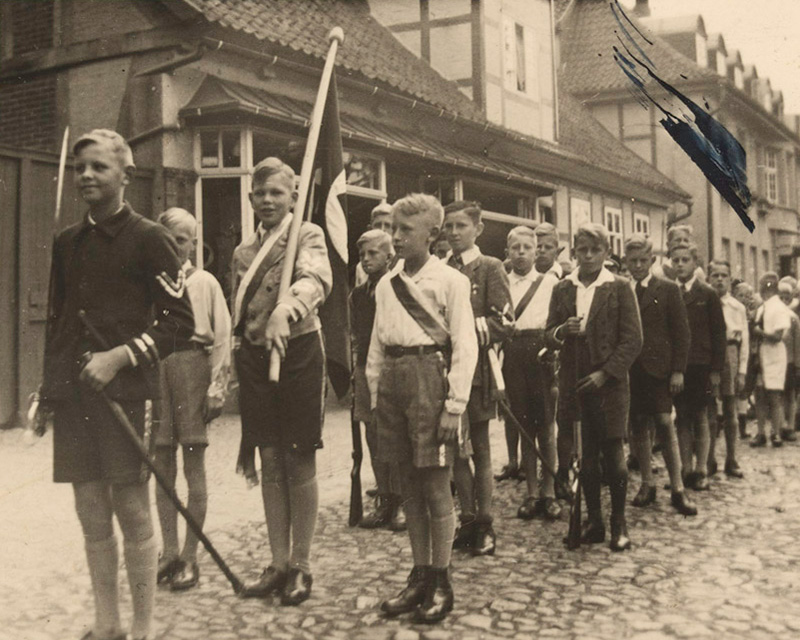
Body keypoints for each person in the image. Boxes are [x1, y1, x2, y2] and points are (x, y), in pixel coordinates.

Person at [40, 130, 195, 640]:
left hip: (127, 394)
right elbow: (60, 323)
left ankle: (144, 625)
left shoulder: (150, 238)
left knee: (131, 506)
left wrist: (120, 356)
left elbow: (179, 322)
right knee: (89, 510)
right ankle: (107, 624)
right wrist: (49, 391)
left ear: (124, 176)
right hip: (77, 396)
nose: (86, 175)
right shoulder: (67, 242)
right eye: (81, 166)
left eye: (99, 167)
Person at [367, 193, 478, 623]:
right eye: (393, 229)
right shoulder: (385, 283)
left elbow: (465, 344)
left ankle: (441, 578)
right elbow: (377, 343)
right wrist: (376, 395)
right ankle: (418, 575)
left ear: (433, 235)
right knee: (408, 485)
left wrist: (455, 404)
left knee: (434, 485)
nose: (395, 237)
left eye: (405, 231)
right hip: (394, 382)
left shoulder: (450, 281)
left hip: (431, 380)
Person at [233, 157, 332, 606]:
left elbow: (315, 279)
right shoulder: (242, 253)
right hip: (256, 360)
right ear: (251, 199)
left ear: (294, 195)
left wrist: (285, 309)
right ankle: (277, 562)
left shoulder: (306, 235)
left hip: (297, 354)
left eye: (277, 192)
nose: (268, 200)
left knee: (298, 459)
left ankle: (302, 566)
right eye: (260, 193)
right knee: (270, 459)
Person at [547, 223, 642, 552]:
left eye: (595, 250)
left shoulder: (619, 287)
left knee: (613, 453)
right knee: (585, 456)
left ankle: (619, 522)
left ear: (605, 253)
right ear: (573, 250)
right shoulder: (563, 288)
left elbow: (632, 341)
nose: (587, 256)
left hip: (609, 383)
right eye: (582, 250)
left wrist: (606, 374)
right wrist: (563, 330)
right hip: (574, 378)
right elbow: (549, 334)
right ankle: (594, 521)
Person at [153, 208, 231, 591]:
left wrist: (217, 387)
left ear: (194, 244)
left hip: (192, 370)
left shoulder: (205, 283)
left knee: (192, 465)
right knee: (161, 463)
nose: (175, 246)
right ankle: (166, 551)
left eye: (182, 240)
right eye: (169, 239)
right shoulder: (150, 283)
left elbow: (222, 337)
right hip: (158, 370)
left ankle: (189, 555)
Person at [443, 201, 513, 557]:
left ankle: (485, 522)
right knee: (455, 449)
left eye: (461, 226)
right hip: (447, 372)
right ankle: (466, 519)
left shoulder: (490, 267)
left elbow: (504, 321)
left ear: (477, 229)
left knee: (481, 448)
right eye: (449, 227)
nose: (454, 233)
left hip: (479, 373)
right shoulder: (440, 269)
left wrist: (466, 329)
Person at [623, 235, 697, 515]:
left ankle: (678, 488)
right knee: (638, 424)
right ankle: (647, 484)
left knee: (665, 423)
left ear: (653, 260)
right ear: (626, 262)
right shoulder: (622, 288)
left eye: (643, 260)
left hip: (660, 370)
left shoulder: (667, 289)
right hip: (632, 369)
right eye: (633, 261)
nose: (638, 266)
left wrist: (678, 370)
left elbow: (682, 333)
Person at [501, 224, 562, 521]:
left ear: (536, 250)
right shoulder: (503, 282)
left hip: (541, 353)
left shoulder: (549, 283)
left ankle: (550, 493)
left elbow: (557, 323)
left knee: (546, 427)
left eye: (527, 248)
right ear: (508, 252)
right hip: (513, 353)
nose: (521, 253)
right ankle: (531, 492)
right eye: (515, 248)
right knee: (524, 426)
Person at [350, 229, 405, 530]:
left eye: (373, 254)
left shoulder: (399, 288)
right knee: (372, 436)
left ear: (389, 256)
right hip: (363, 369)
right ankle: (384, 498)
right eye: (362, 255)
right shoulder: (358, 294)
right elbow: (356, 335)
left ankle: (401, 501)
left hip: (390, 366)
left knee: (393, 436)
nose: (367, 260)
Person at [671, 243, 726, 491]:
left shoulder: (707, 294)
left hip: (701, 365)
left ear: (695, 263)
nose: (680, 264)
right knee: (681, 417)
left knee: (701, 416)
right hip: (677, 366)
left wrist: (716, 369)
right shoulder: (670, 292)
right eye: (676, 260)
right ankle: (685, 468)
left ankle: (702, 468)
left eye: (685, 260)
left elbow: (719, 333)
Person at [706, 260, 747, 478]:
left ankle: (731, 459)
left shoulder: (737, 307)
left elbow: (745, 342)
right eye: (715, 275)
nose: (720, 279)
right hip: (710, 356)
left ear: (730, 280)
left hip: (730, 355)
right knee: (710, 411)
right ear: (709, 278)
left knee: (731, 410)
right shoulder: (704, 302)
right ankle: (709, 459)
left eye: (724, 275)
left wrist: (742, 371)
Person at [751, 273, 792, 448]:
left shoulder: (779, 308)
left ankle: (776, 433)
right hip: (761, 355)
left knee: (774, 395)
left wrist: (760, 333)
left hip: (774, 355)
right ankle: (761, 433)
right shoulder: (762, 308)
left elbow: (777, 336)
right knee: (759, 394)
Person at [778, 281, 800, 442]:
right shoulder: (773, 316)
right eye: (781, 298)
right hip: (776, 361)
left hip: (790, 362)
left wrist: (798, 363)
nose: (784, 302)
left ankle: (790, 426)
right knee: (777, 395)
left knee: (790, 395)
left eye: (787, 298)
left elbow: (798, 343)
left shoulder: (793, 318)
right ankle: (780, 426)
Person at [355, 202, 395, 286]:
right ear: (370, 228)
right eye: (378, 225)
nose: (382, 229)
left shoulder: (404, 261)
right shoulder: (361, 267)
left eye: (387, 225)